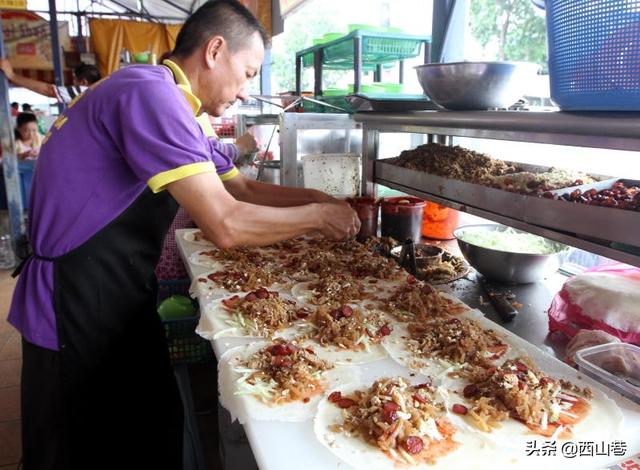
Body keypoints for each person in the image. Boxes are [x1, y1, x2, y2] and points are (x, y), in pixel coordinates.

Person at [8, 1, 359, 469]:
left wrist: (318, 197)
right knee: (78, 442)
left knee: (153, 422)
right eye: (249, 72)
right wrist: (317, 218)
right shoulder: (148, 93)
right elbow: (226, 223)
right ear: (215, 50)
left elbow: (245, 188)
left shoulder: (183, 111)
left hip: (117, 287)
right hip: (74, 298)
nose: (246, 91)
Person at [0, 59, 101, 105]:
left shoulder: (85, 91)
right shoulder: (100, 91)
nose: (72, 84)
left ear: (83, 82)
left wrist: (12, 75)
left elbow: (49, 90)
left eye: (75, 80)